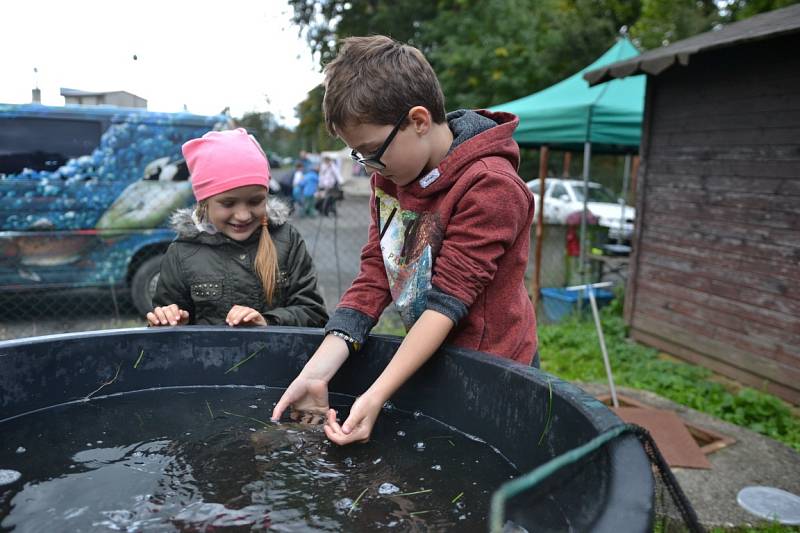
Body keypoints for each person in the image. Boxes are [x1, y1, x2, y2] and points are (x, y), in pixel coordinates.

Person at [271, 36, 537, 445]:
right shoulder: (391, 179)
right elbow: (376, 272)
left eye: (372, 152)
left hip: (495, 368)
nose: (368, 169)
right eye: (359, 156)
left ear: (418, 120)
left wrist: (375, 393)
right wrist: (316, 372)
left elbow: (448, 301)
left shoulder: (490, 186)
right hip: (429, 357)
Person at [146, 128, 328, 328]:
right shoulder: (183, 252)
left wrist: (267, 322)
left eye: (255, 201)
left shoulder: (287, 240)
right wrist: (170, 322)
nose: (243, 215)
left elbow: (314, 313)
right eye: (228, 204)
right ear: (204, 203)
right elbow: (163, 333)